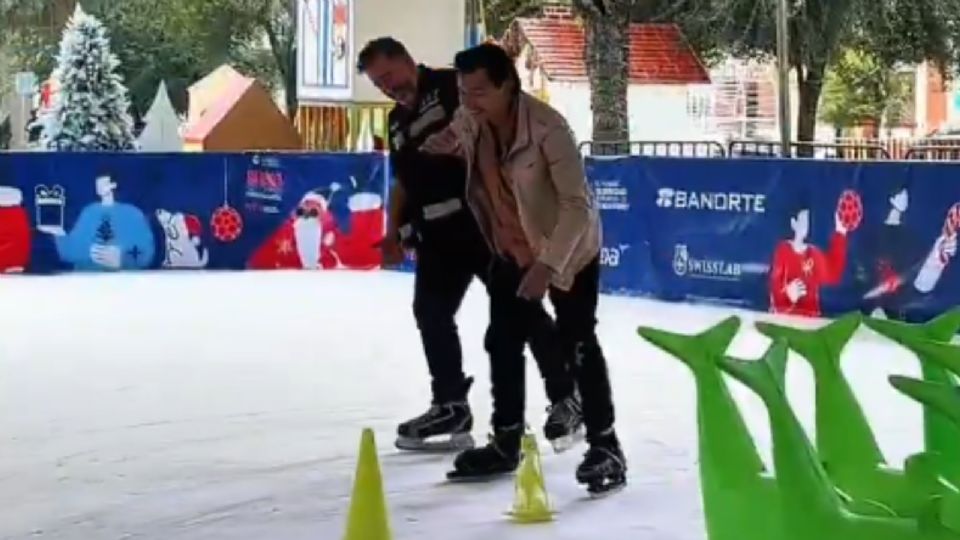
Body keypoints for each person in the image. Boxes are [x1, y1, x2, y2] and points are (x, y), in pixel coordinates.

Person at [356, 37, 584, 453]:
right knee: (430, 313)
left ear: (407, 60)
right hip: (435, 235)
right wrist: (392, 233)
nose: (388, 87)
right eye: (378, 83)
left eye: (388, 75)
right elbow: (403, 180)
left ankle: (567, 396)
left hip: (482, 225)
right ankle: (451, 405)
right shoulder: (396, 120)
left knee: (523, 311)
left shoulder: (452, 87)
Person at [421, 43, 626, 494]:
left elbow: (577, 206)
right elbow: (457, 131)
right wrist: (444, 143)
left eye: (479, 92)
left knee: (578, 341)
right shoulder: (472, 117)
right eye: (463, 92)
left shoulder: (549, 129)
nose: (469, 101)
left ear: (508, 86)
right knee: (502, 339)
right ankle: (506, 440)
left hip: (568, 248)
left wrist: (548, 265)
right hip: (510, 246)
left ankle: (605, 446)